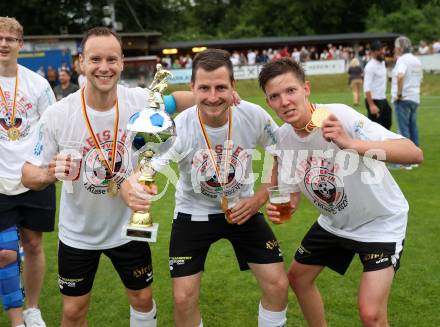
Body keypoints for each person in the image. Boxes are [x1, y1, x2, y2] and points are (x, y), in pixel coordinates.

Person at [21, 27, 195, 327]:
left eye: (112, 59)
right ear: (81, 63)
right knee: (74, 312)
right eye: (96, 59)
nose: (104, 67)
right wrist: (50, 172)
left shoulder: (139, 101)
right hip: (78, 233)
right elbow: (27, 174)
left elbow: (176, 120)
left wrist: (223, 96)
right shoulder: (58, 114)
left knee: (142, 299)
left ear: (122, 62)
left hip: (127, 228)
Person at [122, 48, 289, 327]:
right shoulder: (180, 128)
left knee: (277, 284)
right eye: (205, 88)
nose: (213, 97)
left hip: (243, 210)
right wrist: (135, 184)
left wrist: (259, 198)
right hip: (193, 213)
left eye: (221, 87)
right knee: (183, 298)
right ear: (193, 88)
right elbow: (148, 166)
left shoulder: (253, 116)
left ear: (233, 86)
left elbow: (283, 152)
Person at [258, 58, 423, 327]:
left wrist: (349, 142)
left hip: (379, 222)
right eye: (274, 96)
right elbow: (293, 194)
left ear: (306, 89)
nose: (284, 101)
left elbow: (414, 153)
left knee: (371, 314)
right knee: (299, 278)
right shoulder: (283, 138)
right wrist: (282, 206)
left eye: (290, 91)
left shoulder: (339, 116)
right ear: (268, 102)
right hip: (335, 223)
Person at [0, 16, 56, 327]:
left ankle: (32, 309)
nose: (3, 43)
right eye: (0, 38)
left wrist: (43, 167)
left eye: (10, 39)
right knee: (5, 253)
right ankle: (16, 318)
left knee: (33, 244)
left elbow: (53, 128)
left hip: (35, 175)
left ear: (20, 44)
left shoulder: (38, 84)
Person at [391, 36, 423, 170]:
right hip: (415, 97)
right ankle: (415, 159)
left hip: (403, 98)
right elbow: (420, 79)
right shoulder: (416, 60)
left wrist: (398, 94)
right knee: (413, 127)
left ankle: (406, 162)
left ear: (399, 48)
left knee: (403, 129)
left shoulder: (402, 60)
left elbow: (400, 76)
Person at [363, 40, 392, 130]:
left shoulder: (382, 63)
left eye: (383, 49)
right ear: (372, 52)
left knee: (387, 122)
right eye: (379, 50)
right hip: (374, 100)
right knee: (375, 128)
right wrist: (371, 105)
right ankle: (375, 144)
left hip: (382, 98)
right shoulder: (370, 66)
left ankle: (385, 143)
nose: (383, 51)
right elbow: (366, 87)